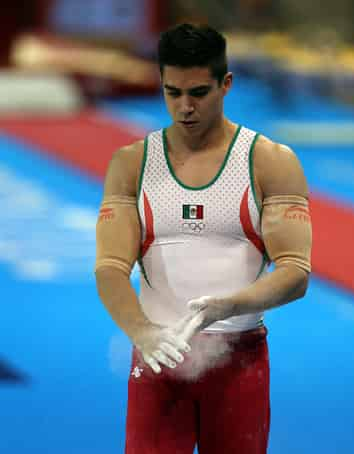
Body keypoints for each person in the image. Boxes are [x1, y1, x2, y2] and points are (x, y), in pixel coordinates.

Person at [95, 23, 312, 454]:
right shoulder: (132, 164)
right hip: (159, 353)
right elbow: (110, 268)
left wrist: (231, 305)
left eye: (198, 92)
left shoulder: (270, 162)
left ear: (226, 84)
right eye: (172, 92)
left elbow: (295, 271)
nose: (184, 107)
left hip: (239, 359)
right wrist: (141, 331)